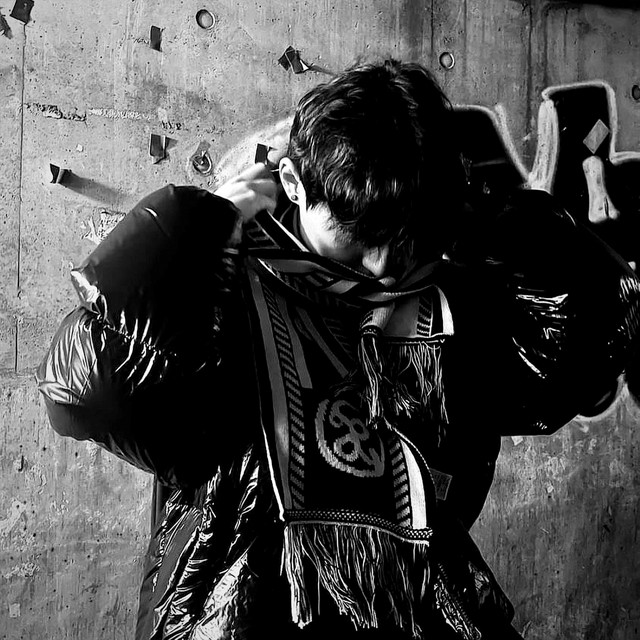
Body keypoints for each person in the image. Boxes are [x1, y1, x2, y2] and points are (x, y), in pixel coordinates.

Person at [36, 59, 640, 640]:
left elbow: (590, 331)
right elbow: (89, 389)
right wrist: (201, 224)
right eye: (358, 235)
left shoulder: (445, 301)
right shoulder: (222, 287)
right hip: (241, 613)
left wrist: (471, 210)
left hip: (414, 613)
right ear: (293, 185)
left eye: (403, 239)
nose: (381, 267)